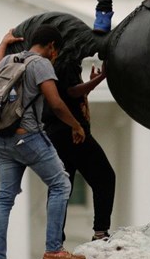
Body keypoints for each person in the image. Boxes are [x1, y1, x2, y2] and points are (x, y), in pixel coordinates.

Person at [0, 25, 87, 259]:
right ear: (52, 46)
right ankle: (54, 249)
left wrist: (4, 41)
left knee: (4, 199)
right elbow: (55, 103)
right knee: (61, 184)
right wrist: (76, 125)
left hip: (3, 138)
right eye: (57, 50)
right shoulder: (41, 64)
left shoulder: (12, 59)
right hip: (28, 137)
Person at [43, 63, 115, 242]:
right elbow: (71, 92)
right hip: (73, 134)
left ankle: (55, 239)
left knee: (62, 187)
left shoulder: (52, 63)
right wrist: (100, 78)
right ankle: (100, 232)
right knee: (105, 177)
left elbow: (71, 98)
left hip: (57, 133)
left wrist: (91, 84)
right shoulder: (67, 59)